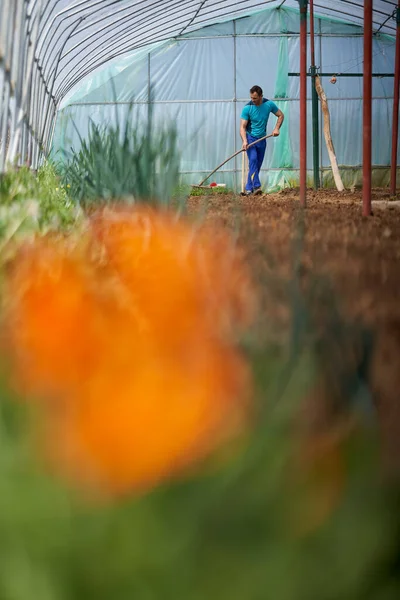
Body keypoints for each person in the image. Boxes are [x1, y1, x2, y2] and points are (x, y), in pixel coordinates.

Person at [240, 85, 284, 195]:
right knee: (253, 160)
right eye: (251, 98)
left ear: (261, 96)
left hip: (262, 139)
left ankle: (249, 189)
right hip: (250, 138)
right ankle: (257, 186)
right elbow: (242, 127)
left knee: (257, 165)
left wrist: (276, 128)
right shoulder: (247, 108)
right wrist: (245, 141)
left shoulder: (268, 105)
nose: (252, 100)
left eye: (255, 98)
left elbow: (280, 115)